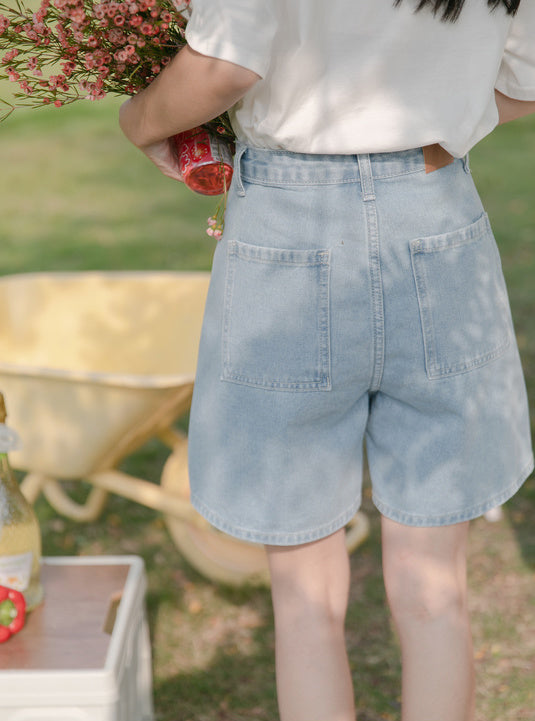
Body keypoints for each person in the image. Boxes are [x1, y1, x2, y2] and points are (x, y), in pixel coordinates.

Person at [119, 1, 535, 719]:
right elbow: (526, 80)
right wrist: (448, 124)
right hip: (435, 216)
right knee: (435, 589)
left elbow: (223, 67)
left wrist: (139, 122)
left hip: (289, 220)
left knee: (306, 600)